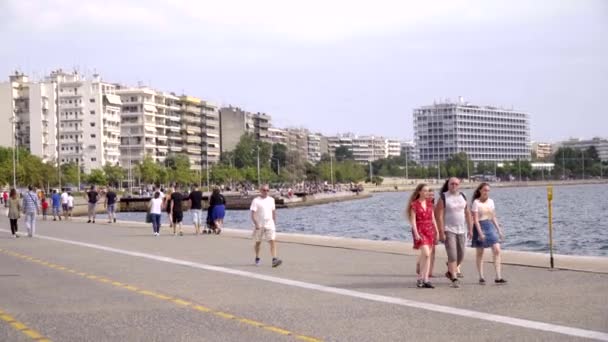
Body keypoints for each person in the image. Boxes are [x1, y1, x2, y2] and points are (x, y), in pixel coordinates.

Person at [436, 178, 473, 288]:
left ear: (459, 185)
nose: (454, 185)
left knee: (461, 255)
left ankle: (450, 270)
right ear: (448, 184)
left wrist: (471, 228)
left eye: (456, 184)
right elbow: (439, 216)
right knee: (452, 255)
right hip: (449, 229)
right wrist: (441, 232)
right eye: (451, 183)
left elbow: (467, 213)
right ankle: (454, 278)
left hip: (462, 229)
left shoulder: (463, 196)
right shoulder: (444, 197)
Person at [471, 182, 507, 285]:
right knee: (480, 252)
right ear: (480, 191)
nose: (486, 192)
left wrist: (499, 229)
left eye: (488, 190)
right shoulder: (476, 203)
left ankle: (498, 276)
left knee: (497, 249)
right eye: (485, 190)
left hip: (490, 225)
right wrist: (480, 233)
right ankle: (481, 276)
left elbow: (493, 216)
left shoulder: (491, 201)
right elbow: (476, 220)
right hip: (480, 226)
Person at [406, 183, 439, 288]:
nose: (426, 193)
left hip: (430, 230)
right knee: (427, 254)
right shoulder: (414, 204)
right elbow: (413, 221)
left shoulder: (430, 203)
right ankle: (422, 278)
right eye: (424, 190)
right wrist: (416, 233)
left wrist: (437, 231)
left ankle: (424, 279)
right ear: (419, 192)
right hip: (420, 230)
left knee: (427, 255)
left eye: (428, 191)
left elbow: (433, 218)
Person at [250, 184, 282, 268]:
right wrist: (256, 224)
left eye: (267, 190)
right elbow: (252, 214)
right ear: (260, 190)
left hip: (269, 224)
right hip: (259, 225)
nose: (266, 192)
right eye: (264, 190)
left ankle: (274, 259)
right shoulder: (256, 200)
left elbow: (273, 211)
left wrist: (274, 222)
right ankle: (257, 257)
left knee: (272, 240)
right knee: (258, 242)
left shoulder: (271, 200)